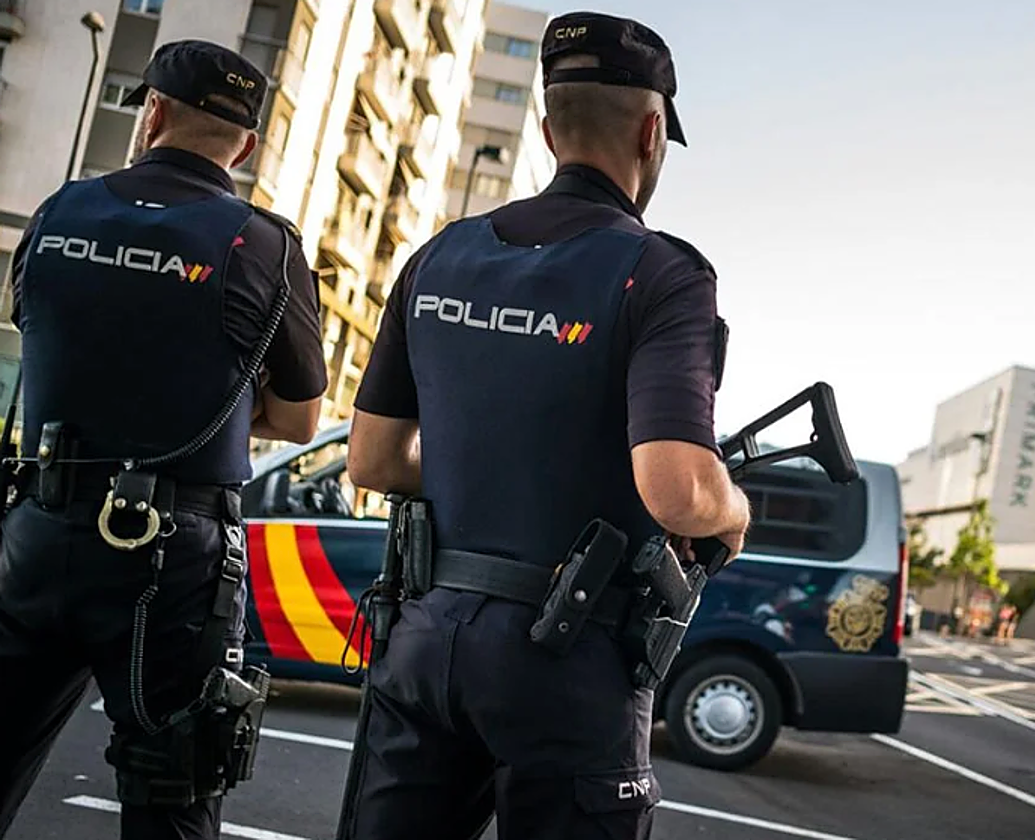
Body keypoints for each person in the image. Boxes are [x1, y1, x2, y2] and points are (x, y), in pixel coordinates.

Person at [340, 11, 750, 840]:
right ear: (652, 132)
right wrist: (733, 510)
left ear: (542, 121)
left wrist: (485, 463)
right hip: (567, 665)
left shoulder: (438, 256)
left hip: (424, 642)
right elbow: (678, 491)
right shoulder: (662, 274)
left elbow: (374, 460)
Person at [0, 40, 326, 840]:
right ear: (244, 145)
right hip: (168, 561)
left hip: (37, 533)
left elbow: (39, 334)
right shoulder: (264, 244)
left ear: (151, 114)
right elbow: (298, 420)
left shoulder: (60, 210)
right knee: (172, 794)